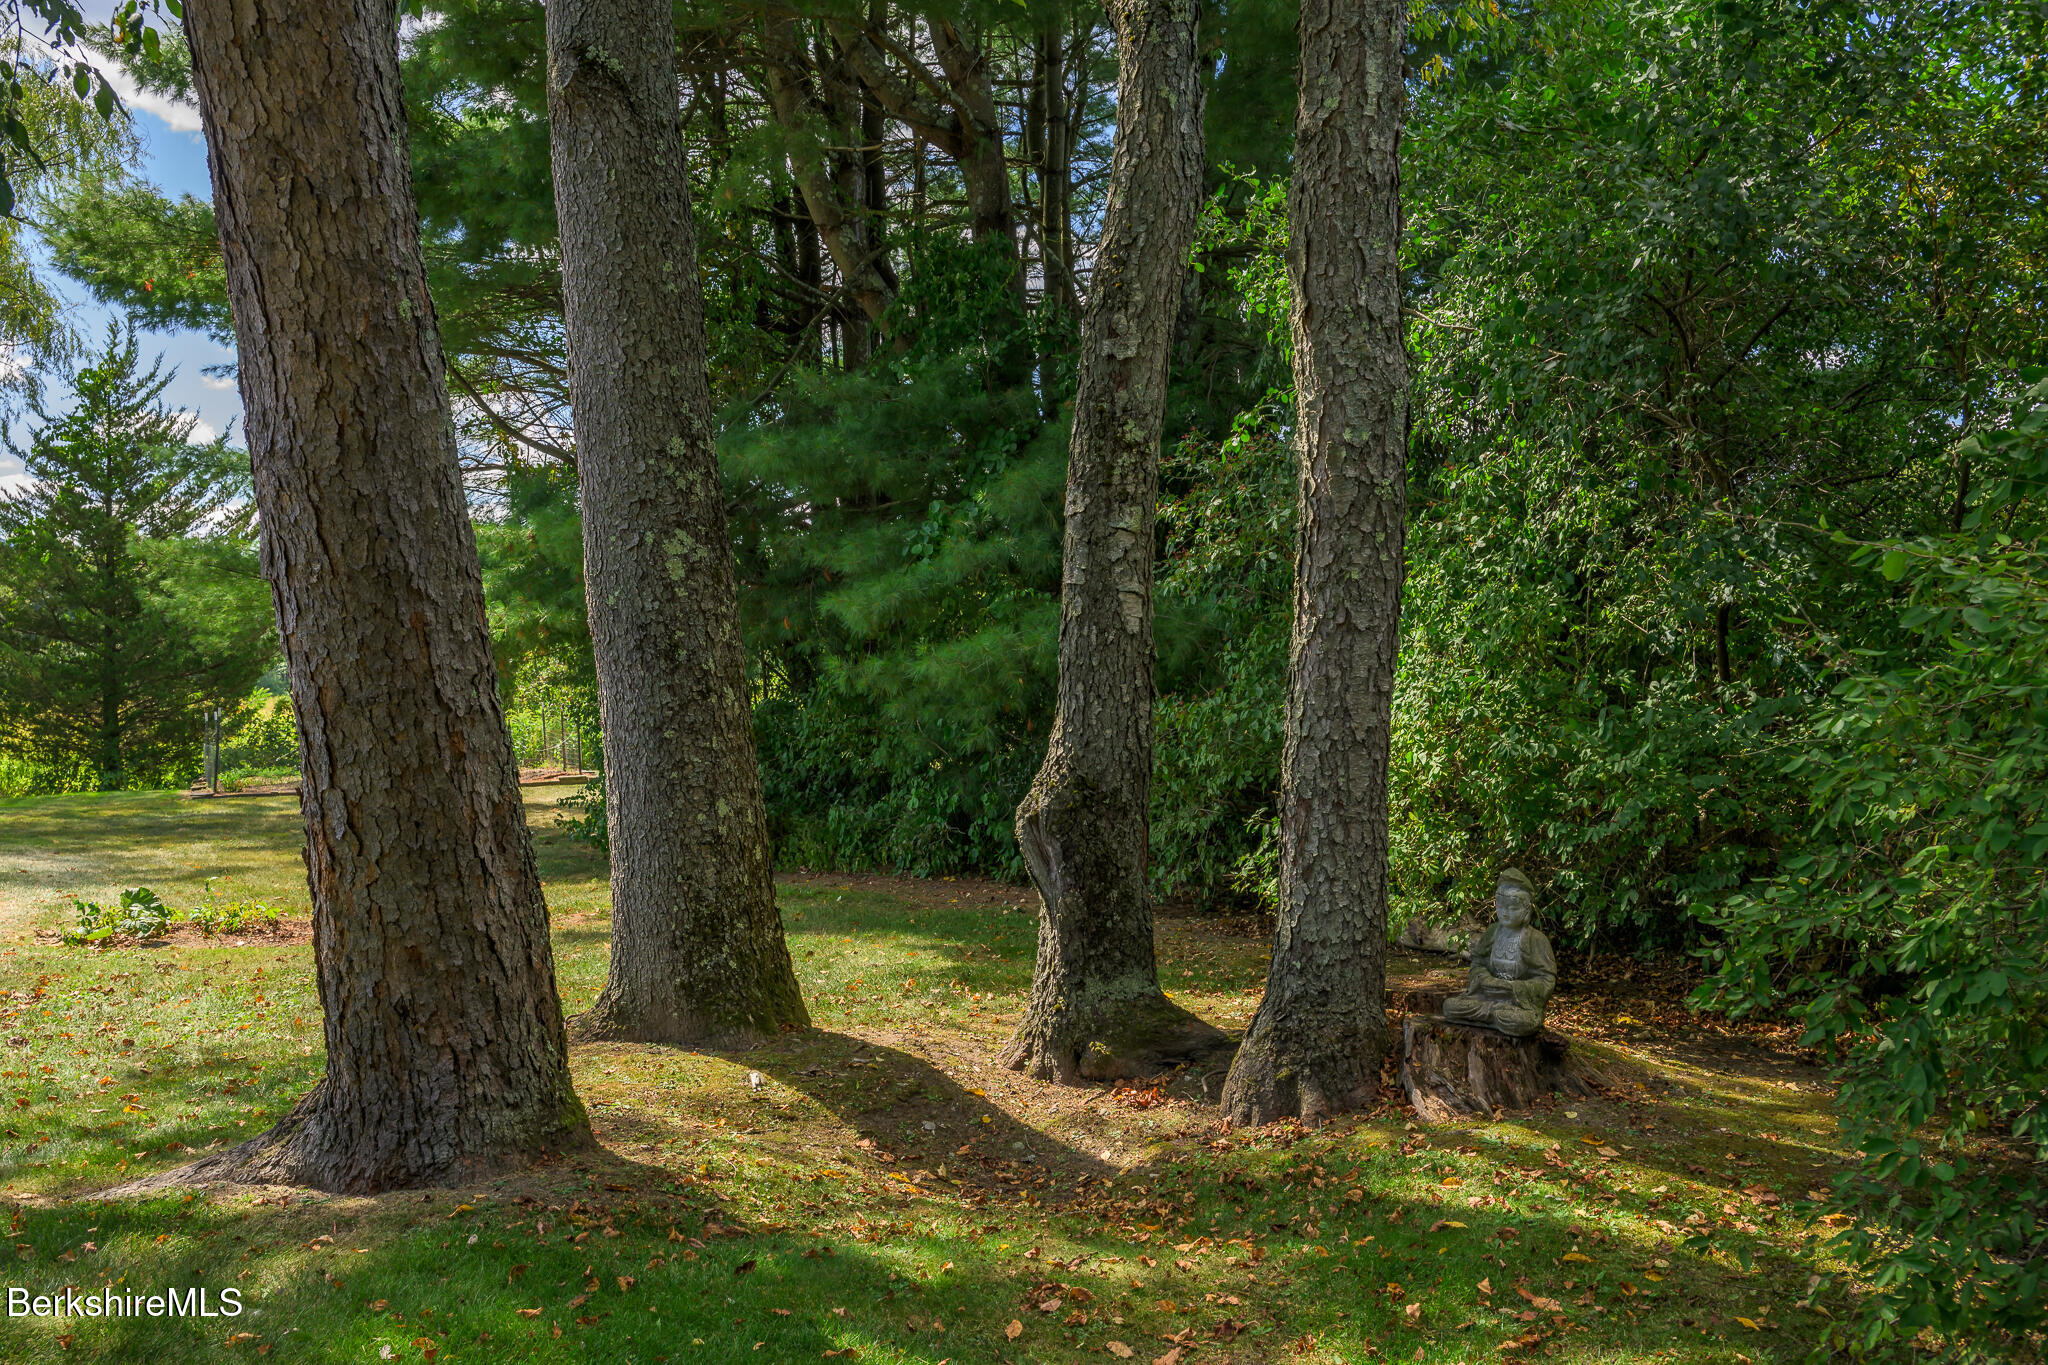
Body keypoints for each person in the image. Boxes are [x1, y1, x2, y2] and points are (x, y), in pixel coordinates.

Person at [1440, 868, 1556, 1037]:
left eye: (1513, 908)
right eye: (1501, 906)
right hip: (1485, 998)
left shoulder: (1536, 939)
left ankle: (1496, 1015)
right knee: (1450, 1007)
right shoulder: (1492, 932)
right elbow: (1478, 962)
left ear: (1526, 910)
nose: (1505, 912)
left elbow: (1546, 979)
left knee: (1518, 1021)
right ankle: (1492, 1014)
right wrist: (1484, 979)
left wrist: (1512, 988)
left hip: (1515, 1004)